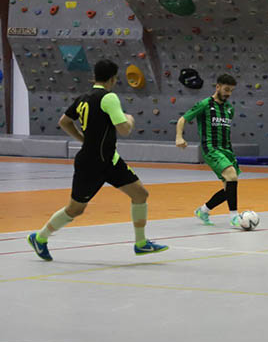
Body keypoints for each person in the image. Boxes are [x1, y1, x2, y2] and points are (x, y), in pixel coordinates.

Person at [27, 59, 168, 261]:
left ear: (94, 76)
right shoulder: (109, 97)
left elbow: (64, 122)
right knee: (75, 209)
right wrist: (130, 118)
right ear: (113, 78)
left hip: (110, 160)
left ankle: (141, 243)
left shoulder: (83, 98)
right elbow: (124, 129)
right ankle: (39, 238)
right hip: (92, 164)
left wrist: (82, 139)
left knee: (140, 194)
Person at [175, 74, 243, 228]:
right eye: (226, 89)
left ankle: (203, 210)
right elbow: (183, 119)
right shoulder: (205, 104)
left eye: (231, 91)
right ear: (217, 87)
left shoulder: (229, 109)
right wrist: (179, 137)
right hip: (211, 149)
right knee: (231, 176)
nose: (228, 93)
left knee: (229, 187)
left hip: (227, 151)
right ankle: (234, 217)